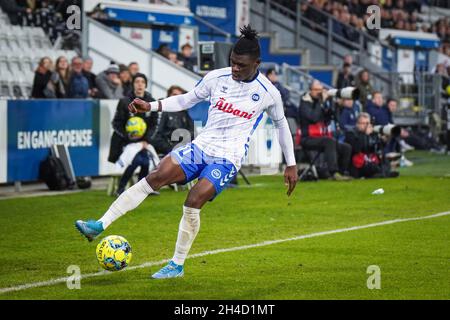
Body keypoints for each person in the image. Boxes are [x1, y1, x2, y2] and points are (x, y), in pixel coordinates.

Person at [75, 25, 297, 279]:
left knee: (193, 199)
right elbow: (185, 100)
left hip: (228, 158)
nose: (235, 68)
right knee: (157, 176)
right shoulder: (216, 77)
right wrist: (151, 105)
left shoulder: (269, 93)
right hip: (200, 147)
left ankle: (176, 265)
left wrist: (290, 164)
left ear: (256, 63)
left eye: (241, 65)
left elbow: (281, 125)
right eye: (233, 62)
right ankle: (99, 225)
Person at [108, 73, 159, 196]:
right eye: (137, 81)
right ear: (133, 84)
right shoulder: (125, 101)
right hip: (127, 142)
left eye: (142, 82)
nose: (140, 84)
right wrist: (128, 136)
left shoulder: (151, 102)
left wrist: (146, 140)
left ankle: (142, 190)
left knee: (146, 162)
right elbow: (116, 123)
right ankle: (120, 188)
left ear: (145, 85)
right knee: (136, 161)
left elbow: (154, 124)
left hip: (144, 142)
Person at [298, 80, 352, 180]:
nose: (319, 92)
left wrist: (333, 104)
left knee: (346, 147)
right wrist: (321, 101)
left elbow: (329, 119)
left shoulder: (321, 102)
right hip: (307, 138)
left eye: (320, 90)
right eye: (317, 90)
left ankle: (341, 173)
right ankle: (334, 173)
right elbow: (313, 118)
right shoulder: (304, 102)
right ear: (311, 90)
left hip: (320, 138)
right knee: (329, 141)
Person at [151, 85, 195, 155]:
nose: (176, 98)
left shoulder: (186, 114)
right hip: (165, 152)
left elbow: (193, 134)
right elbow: (156, 136)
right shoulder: (162, 112)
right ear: (168, 97)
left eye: (179, 96)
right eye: (174, 95)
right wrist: (171, 148)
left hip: (182, 152)